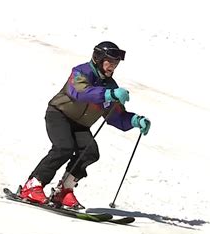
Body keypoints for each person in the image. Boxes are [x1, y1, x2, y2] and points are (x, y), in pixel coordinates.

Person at [19, 41, 151, 209]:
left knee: (89, 153)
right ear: (98, 58)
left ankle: (64, 191)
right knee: (64, 147)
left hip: (80, 124)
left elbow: (114, 116)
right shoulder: (81, 72)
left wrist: (134, 120)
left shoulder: (110, 85)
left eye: (116, 63)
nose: (113, 66)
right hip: (59, 115)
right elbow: (80, 93)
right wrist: (108, 94)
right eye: (109, 62)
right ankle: (32, 185)